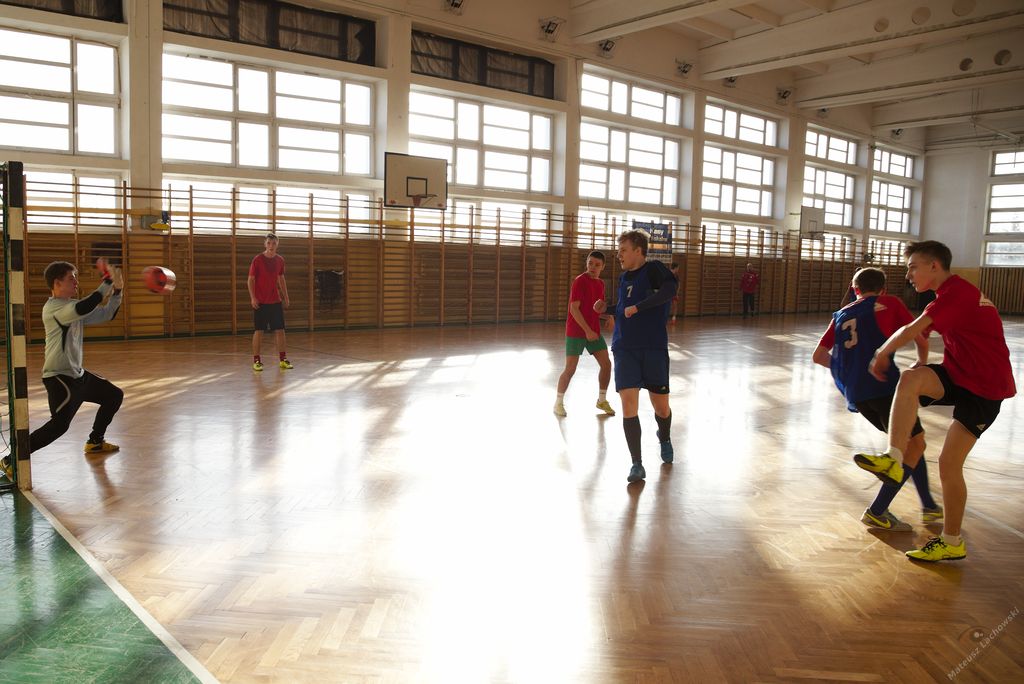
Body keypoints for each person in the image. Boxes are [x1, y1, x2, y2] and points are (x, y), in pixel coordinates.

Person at [855, 241, 1016, 562]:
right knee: (911, 379)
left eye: (913, 267)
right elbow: (922, 333)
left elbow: (914, 328)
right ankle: (893, 457)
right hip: (960, 374)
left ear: (934, 266)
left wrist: (883, 352)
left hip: (986, 388)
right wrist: (920, 359)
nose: (908, 274)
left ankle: (951, 541)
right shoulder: (946, 297)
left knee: (948, 464)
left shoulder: (958, 293)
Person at [812, 267, 941, 532]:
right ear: (883, 289)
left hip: (858, 395)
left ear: (855, 289)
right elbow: (919, 335)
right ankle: (878, 511)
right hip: (884, 388)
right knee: (913, 444)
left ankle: (928, 505)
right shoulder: (890, 302)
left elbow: (819, 355)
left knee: (911, 443)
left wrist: (849, 371)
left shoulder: (841, 314)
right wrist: (921, 361)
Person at [1, 260, 125, 481]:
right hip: (59, 378)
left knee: (113, 395)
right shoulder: (54, 308)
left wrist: (117, 291)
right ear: (57, 283)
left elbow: (107, 314)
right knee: (59, 426)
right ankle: (11, 459)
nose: (76, 282)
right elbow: (83, 307)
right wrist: (107, 281)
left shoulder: (72, 307)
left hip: (78, 375)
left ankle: (95, 441)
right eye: (71, 278)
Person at [612, 229, 678, 483]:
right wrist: (606, 309)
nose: (619, 255)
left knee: (661, 407)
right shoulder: (623, 278)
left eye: (623, 250)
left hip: (653, 348)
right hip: (624, 348)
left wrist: (638, 308)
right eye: (618, 250)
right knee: (629, 406)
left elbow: (669, 291)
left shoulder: (654, 270)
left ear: (638, 251)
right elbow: (624, 309)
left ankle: (664, 436)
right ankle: (636, 463)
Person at [554, 251, 615, 417]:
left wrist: (609, 316)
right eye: (590, 263)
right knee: (570, 369)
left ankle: (602, 400)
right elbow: (574, 309)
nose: (593, 267)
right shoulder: (580, 281)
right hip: (576, 331)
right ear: (587, 263)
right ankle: (558, 402)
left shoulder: (600, 284)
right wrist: (587, 331)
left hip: (593, 332)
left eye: (597, 265)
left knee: (606, 365)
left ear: (603, 267)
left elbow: (597, 309)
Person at [248, 233, 292, 371]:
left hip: (275, 301)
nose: (271, 246)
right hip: (261, 301)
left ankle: (283, 359)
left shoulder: (280, 260)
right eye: (268, 243)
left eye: (274, 243)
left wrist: (286, 296)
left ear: (277, 245)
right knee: (259, 331)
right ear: (265, 244)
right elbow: (250, 280)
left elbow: (281, 278)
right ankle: (256, 361)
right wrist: (253, 297)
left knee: (280, 330)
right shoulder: (258, 260)